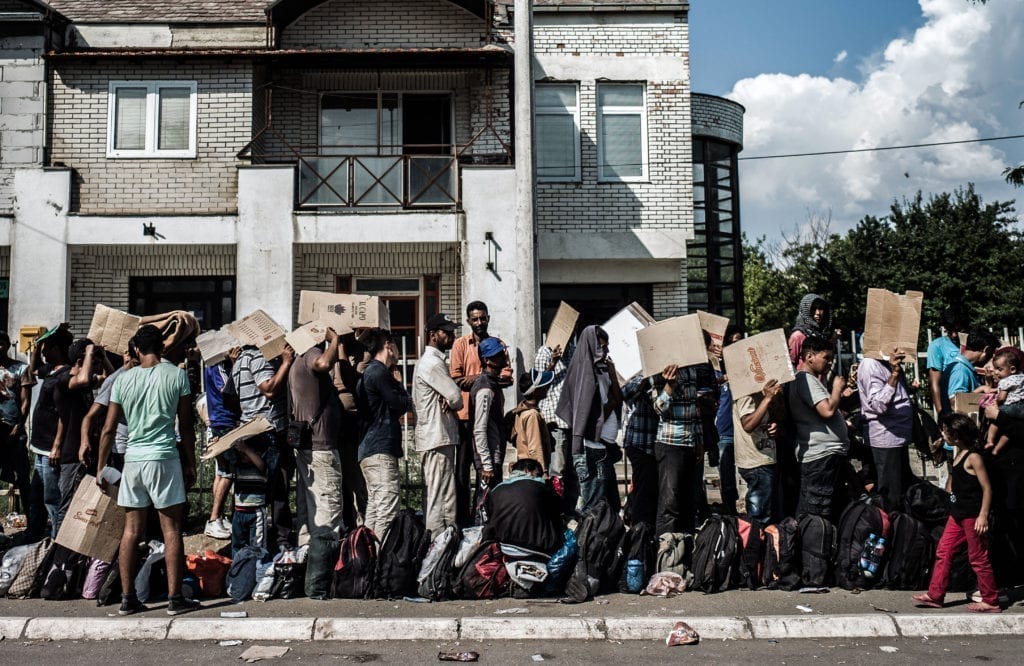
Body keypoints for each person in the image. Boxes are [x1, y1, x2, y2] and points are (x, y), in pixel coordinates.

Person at [97, 324, 200, 616]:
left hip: (133, 459)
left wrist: (101, 466)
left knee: (131, 531)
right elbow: (187, 425)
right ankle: (174, 597)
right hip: (165, 457)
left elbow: (108, 429)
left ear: (137, 350)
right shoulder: (177, 376)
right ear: (163, 348)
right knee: (172, 529)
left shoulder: (123, 380)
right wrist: (190, 463)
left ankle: (128, 599)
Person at [913, 413, 1000, 613]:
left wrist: (983, 515)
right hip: (957, 515)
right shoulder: (957, 451)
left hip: (972, 516)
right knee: (944, 550)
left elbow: (987, 488)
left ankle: (991, 600)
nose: (943, 434)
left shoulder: (974, 457)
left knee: (978, 557)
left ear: (957, 436)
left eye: (946, 431)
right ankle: (935, 595)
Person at [450, 300, 511, 526]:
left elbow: (507, 376)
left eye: (482, 318)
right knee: (463, 471)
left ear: (488, 318)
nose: (479, 322)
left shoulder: (497, 344)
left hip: (491, 415)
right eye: (474, 319)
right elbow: (456, 379)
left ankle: (483, 519)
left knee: (487, 472)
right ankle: (465, 520)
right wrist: (484, 377)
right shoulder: (460, 345)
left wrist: (479, 378)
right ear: (468, 321)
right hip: (465, 416)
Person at [233, 341, 295, 549]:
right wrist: (286, 363)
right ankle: (280, 541)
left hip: (249, 428)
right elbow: (268, 389)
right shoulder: (258, 357)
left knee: (259, 489)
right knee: (277, 488)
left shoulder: (240, 359)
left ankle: (253, 540)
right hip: (266, 429)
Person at [556, 325, 622, 513]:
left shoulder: (602, 369)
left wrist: (612, 375)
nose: (605, 352)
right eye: (601, 347)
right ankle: (588, 541)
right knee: (594, 507)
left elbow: (617, 397)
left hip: (603, 447)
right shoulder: (583, 373)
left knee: (610, 505)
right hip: (591, 448)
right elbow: (588, 415)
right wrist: (607, 408)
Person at [650, 357, 718, 535]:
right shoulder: (660, 368)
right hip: (670, 443)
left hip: (691, 443)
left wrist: (699, 441)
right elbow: (658, 408)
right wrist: (670, 386)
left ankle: (685, 551)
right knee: (669, 503)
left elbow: (693, 409)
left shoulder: (691, 368)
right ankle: (665, 553)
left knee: (689, 503)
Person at [356, 328, 413, 539]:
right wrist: (399, 385)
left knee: (375, 509)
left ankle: (367, 561)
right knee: (387, 511)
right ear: (388, 346)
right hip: (380, 447)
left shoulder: (368, 373)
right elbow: (400, 404)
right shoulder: (379, 373)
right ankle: (380, 563)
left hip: (368, 449)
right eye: (395, 346)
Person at [290, 328, 345, 542]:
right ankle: (325, 565)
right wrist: (335, 340)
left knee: (310, 509)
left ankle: (309, 559)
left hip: (309, 446)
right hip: (320, 446)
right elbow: (324, 363)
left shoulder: (297, 360)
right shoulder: (311, 353)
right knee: (328, 509)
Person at [411, 313, 463, 534]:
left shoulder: (431, 362)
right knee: (441, 498)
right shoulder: (432, 363)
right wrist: (451, 400)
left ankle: (439, 543)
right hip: (437, 437)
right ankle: (438, 544)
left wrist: (449, 399)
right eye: (447, 332)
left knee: (437, 494)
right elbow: (456, 398)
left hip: (435, 437)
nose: (452, 336)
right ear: (433, 335)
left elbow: (450, 398)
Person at [788, 336, 849, 520]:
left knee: (827, 510)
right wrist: (837, 388)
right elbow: (827, 410)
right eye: (826, 358)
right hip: (819, 457)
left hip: (826, 455)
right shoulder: (805, 380)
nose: (829, 363)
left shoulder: (812, 380)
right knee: (815, 513)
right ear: (809, 356)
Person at [54, 338, 111, 530]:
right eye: (93, 362)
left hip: (88, 451)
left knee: (84, 506)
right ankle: (59, 553)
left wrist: (103, 358)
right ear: (81, 360)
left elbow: (112, 379)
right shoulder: (63, 380)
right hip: (72, 454)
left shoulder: (86, 382)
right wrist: (88, 352)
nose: (96, 367)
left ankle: (75, 553)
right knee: (67, 505)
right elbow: (84, 378)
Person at [25, 325, 72, 541]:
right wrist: (36, 346)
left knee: (51, 499)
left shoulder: (66, 374)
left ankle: (56, 542)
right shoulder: (51, 370)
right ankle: (34, 537)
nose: (44, 352)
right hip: (40, 444)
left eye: (47, 348)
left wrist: (56, 446)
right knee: (37, 496)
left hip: (50, 446)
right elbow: (34, 370)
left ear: (57, 349)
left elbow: (65, 415)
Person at [857, 351, 913, 510]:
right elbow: (878, 405)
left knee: (900, 492)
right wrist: (894, 374)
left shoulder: (886, 363)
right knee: (890, 496)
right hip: (885, 438)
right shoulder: (870, 364)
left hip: (898, 437)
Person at [483, 458, 563, 557]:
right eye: (537, 474)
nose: (540, 478)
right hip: (540, 549)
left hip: (503, 547)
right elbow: (559, 509)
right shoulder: (543, 486)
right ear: (526, 470)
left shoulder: (496, 490)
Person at [534, 335, 577, 515]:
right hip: (554, 420)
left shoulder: (572, 351)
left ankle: (569, 512)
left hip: (571, 421)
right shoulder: (544, 352)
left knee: (572, 472)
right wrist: (552, 364)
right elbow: (536, 385)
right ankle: (555, 514)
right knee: (557, 470)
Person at [733, 379, 784, 525]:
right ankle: (755, 546)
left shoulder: (759, 392)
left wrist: (774, 427)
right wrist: (767, 398)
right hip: (756, 462)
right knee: (759, 519)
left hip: (766, 458)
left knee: (770, 515)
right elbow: (748, 424)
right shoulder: (745, 392)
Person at [82, 344, 138, 476]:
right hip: (123, 449)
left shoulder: (145, 376)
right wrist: (85, 441)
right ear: (127, 355)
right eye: (136, 362)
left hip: (141, 449)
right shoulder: (116, 380)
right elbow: (92, 417)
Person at [201, 352, 239, 540]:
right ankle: (215, 518)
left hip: (220, 420)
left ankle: (218, 518)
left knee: (221, 471)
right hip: (224, 420)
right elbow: (227, 389)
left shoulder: (212, 363)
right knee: (228, 473)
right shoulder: (219, 365)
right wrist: (235, 364)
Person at [216, 433, 273, 558]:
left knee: (258, 548)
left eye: (246, 453)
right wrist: (218, 450)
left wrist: (246, 449)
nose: (243, 455)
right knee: (237, 545)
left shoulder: (260, 467)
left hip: (256, 513)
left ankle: (257, 570)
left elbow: (262, 465)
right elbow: (224, 466)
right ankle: (238, 567)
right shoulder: (238, 466)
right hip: (239, 514)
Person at [470, 336, 511, 507]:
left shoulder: (492, 383)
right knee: (485, 506)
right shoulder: (485, 388)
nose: (503, 356)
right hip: (489, 458)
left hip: (494, 454)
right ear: (487, 360)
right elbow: (479, 428)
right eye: (497, 355)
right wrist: (487, 464)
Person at [0, 332, 32, 520]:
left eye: (2, 343)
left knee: (22, 475)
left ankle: (31, 520)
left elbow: (25, 402)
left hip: (14, 430)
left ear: (7, 345)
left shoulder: (21, 369)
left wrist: (18, 426)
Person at [714, 325, 744, 515]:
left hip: (746, 429)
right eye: (733, 342)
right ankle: (729, 515)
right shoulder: (716, 371)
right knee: (726, 477)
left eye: (740, 341)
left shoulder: (747, 368)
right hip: (725, 430)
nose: (737, 346)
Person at [621, 374, 658, 526]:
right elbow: (626, 393)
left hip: (653, 443)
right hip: (638, 442)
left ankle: (645, 523)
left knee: (649, 487)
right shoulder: (641, 377)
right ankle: (640, 526)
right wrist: (646, 379)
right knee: (643, 488)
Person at [941, 329, 998, 414]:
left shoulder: (961, 367)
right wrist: (981, 388)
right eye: (990, 354)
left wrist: (988, 385)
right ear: (986, 350)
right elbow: (955, 403)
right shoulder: (960, 369)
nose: (990, 358)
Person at [509, 370, 555, 471]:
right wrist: (543, 472)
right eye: (543, 386)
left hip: (526, 468)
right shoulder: (532, 415)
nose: (546, 387)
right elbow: (535, 448)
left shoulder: (521, 409)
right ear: (535, 391)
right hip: (532, 470)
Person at [926, 309, 967, 416]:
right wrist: (940, 413)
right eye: (949, 330)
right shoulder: (937, 346)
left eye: (957, 330)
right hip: (950, 407)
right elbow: (935, 383)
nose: (954, 335)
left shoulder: (972, 344)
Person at [985, 349, 1024, 456]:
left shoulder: (1006, 381)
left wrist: (996, 405)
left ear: (1012, 369)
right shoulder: (1020, 376)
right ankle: (997, 449)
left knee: (995, 420)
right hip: (1020, 407)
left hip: (1010, 407)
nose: (996, 372)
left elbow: (1002, 398)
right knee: (1009, 432)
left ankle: (990, 441)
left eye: (999, 369)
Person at [788, 294, 832, 372]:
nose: (818, 312)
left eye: (821, 309)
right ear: (806, 311)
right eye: (813, 309)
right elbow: (790, 364)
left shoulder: (821, 334)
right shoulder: (798, 336)